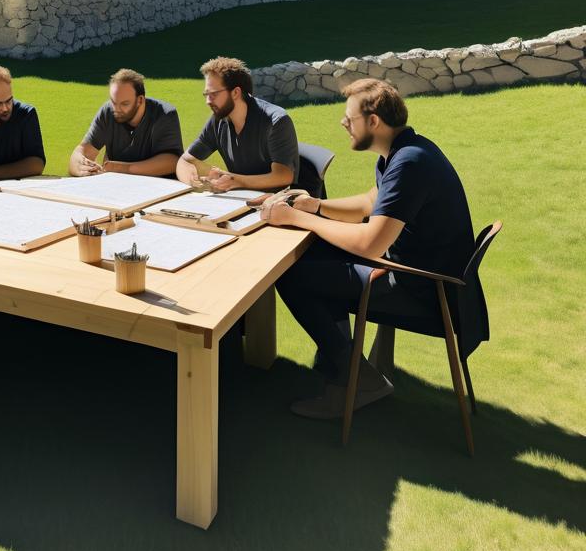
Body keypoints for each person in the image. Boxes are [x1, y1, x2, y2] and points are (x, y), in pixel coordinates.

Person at [265, 78, 476, 419]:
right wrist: (316, 206)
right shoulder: (406, 151)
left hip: (422, 289)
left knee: (293, 274)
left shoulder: (409, 163)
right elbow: (371, 201)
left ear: (374, 121)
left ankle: (359, 379)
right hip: (420, 275)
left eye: (350, 118)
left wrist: (295, 218)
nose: (343, 124)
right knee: (313, 256)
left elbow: (370, 243)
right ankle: (341, 362)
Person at [176, 56, 298, 193]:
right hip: (237, 199)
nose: (208, 101)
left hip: (275, 203)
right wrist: (192, 181)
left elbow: (283, 176)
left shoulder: (276, 121)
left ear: (235, 92)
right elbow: (185, 160)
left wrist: (235, 180)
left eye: (214, 94)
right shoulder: (218, 119)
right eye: (206, 95)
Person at [69, 68, 182, 178]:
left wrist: (122, 169)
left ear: (140, 100)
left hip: (160, 189)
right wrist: (79, 165)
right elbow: (83, 151)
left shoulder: (164, 114)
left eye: (125, 104)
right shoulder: (107, 112)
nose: (116, 109)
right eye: (113, 102)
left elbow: (172, 161)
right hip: (117, 188)